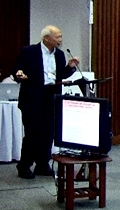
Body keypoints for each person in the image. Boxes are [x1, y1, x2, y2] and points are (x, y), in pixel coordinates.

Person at [14, 25, 79, 179]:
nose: (60, 40)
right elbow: (17, 70)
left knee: (48, 133)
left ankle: (42, 164)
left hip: (50, 96)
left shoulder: (60, 54)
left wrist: (70, 68)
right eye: (57, 37)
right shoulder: (29, 52)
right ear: (46, 38)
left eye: (61, 36)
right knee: (32, 133)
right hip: (32, 97)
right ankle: (24, 166)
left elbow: (60, 75)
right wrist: (19, 74)